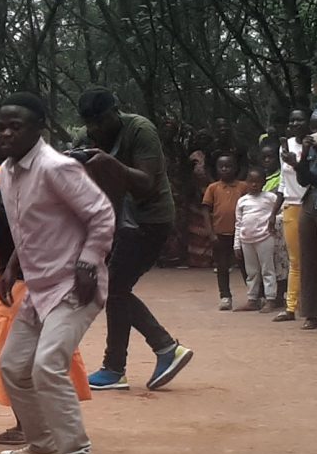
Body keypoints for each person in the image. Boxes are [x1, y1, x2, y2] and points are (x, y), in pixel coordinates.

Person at [0, 94, 117, 454]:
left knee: (47, 365)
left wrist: (88, 261)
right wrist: (12, 266)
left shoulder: (56, 167)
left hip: (74, 285)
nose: (7, 132)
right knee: (12, 365)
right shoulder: (8, 172)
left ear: (39, 128)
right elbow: (26, 228)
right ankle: (41, 443)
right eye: (3, 126)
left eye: (17, 126)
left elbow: (101, 215)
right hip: (39, 288)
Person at [74, 89, 196, 390]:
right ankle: (116, 368)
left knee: (115, 287)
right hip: (117, 220)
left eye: (101, 121)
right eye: (90, 123)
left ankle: (164, 348)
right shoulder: (88, 136)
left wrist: (109, 164)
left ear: (115, 112)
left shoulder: (140, 130)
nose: (95, 129)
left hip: (149, 219)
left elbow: (146, 183)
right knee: (116, 289)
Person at [276, 110, 317, 325]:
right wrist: (274, 211)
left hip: (311, 202)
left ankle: (313, 305)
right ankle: (291, 306)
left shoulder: (315, 144)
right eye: (292, 119)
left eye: (299, 120)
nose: (295, 123)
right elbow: (282, 182)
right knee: (295, 260)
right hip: (291, 205)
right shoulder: (284, 148)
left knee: (315, 258)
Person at [234, 168, 281, 311]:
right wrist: (237, 244)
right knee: (252, 271)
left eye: (257, 182)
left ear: (264, 182)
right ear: (246, 183)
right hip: (246, 240)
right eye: (251, 182)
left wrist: (273, 225)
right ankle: (252, 299)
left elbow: (280, 211)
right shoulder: (242, 201)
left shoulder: (270, 198)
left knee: (268, 269)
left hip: (265, 238)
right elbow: (238, 222)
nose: (254, 185)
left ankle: (271, 299)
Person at [201, 154, 243, 309]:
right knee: (222, 266)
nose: (225, 169)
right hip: (220, 234)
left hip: (240, 234)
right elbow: (205, 210)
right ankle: (225, 296)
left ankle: (254, 295)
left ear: (236, 168)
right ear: (217, 169)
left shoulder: (243, 187)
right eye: (221, 167)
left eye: (228, 166)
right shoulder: (213, 188)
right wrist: (210, 233)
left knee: (245, 265)